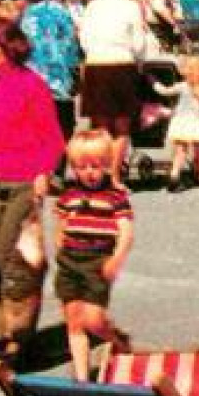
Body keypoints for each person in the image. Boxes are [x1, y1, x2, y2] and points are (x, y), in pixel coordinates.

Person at [0, 21, 66, 367]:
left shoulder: (32, 85)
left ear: (10, 49)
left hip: (25, 179)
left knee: (14, 257)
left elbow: (53, 138)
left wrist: (43, 173)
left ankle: (20, 338)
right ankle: (13, 330)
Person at [53, 130, 134, 381]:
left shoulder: (115, 197)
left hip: (97, 261)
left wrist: (116, 258)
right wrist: (60, 243)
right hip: (69, 261)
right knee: (74, 322)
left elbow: (126, 231)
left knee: (94, 319)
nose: (89, 172)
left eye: (96, 166)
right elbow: (62, 220)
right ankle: (81, 378)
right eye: (82, 167)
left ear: (108, 165)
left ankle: (116, 340)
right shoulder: (69, 194)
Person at [79, 0, 152, 182]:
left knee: (100, 126)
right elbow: (139, 44)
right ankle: (115, 178)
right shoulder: (131, 7)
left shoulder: (92, 6)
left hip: (95, 64)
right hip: (121, 64)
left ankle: (96, 176)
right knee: (122, 126)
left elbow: (83, 40)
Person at [19, 0, 82, 155]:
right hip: (57, 83)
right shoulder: (62, 13)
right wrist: (75, 74)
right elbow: (71, 48)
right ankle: (56, 174)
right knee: (62, 131)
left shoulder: (27, 14)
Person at [166, 56, 199, 189]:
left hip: (181, 123)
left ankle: (174, 175)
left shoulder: (182, 86)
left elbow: (164, 91)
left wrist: (152, 81)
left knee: (180, 151)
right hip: (198, 125)